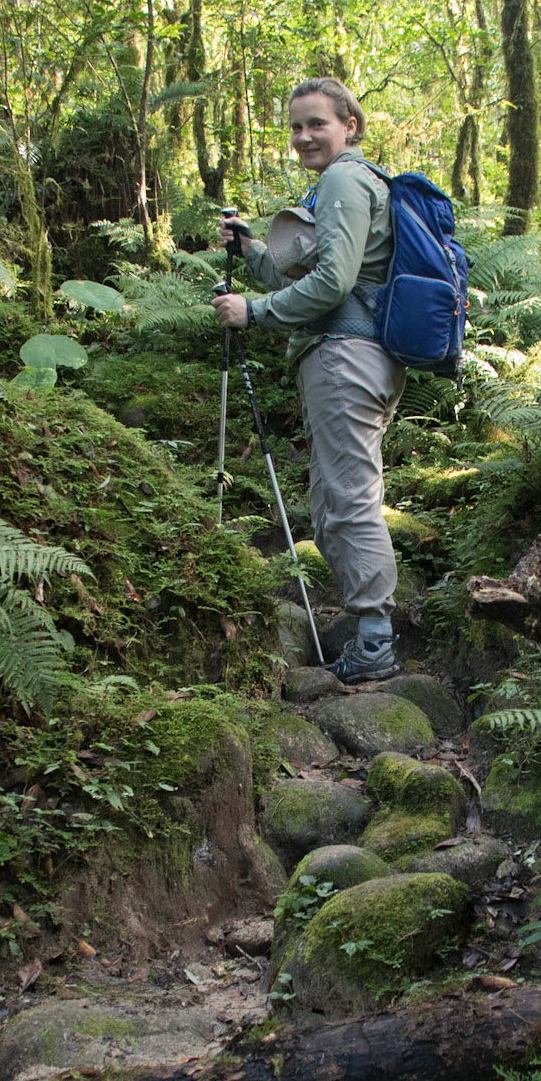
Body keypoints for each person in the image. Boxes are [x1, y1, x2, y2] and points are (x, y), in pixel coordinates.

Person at [212, 77, 405, 682]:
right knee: (331, 499)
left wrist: (254, 312)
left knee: (348, 498)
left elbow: (333, 285)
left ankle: (375, 641)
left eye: (317, 123)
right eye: (296, 126)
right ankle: (366, 628)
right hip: (347, 355)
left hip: (347, 357)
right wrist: (251, 253)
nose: (303, 136)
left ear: (350, 124)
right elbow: (317, 277)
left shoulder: (345, 180)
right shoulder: (348, 182)